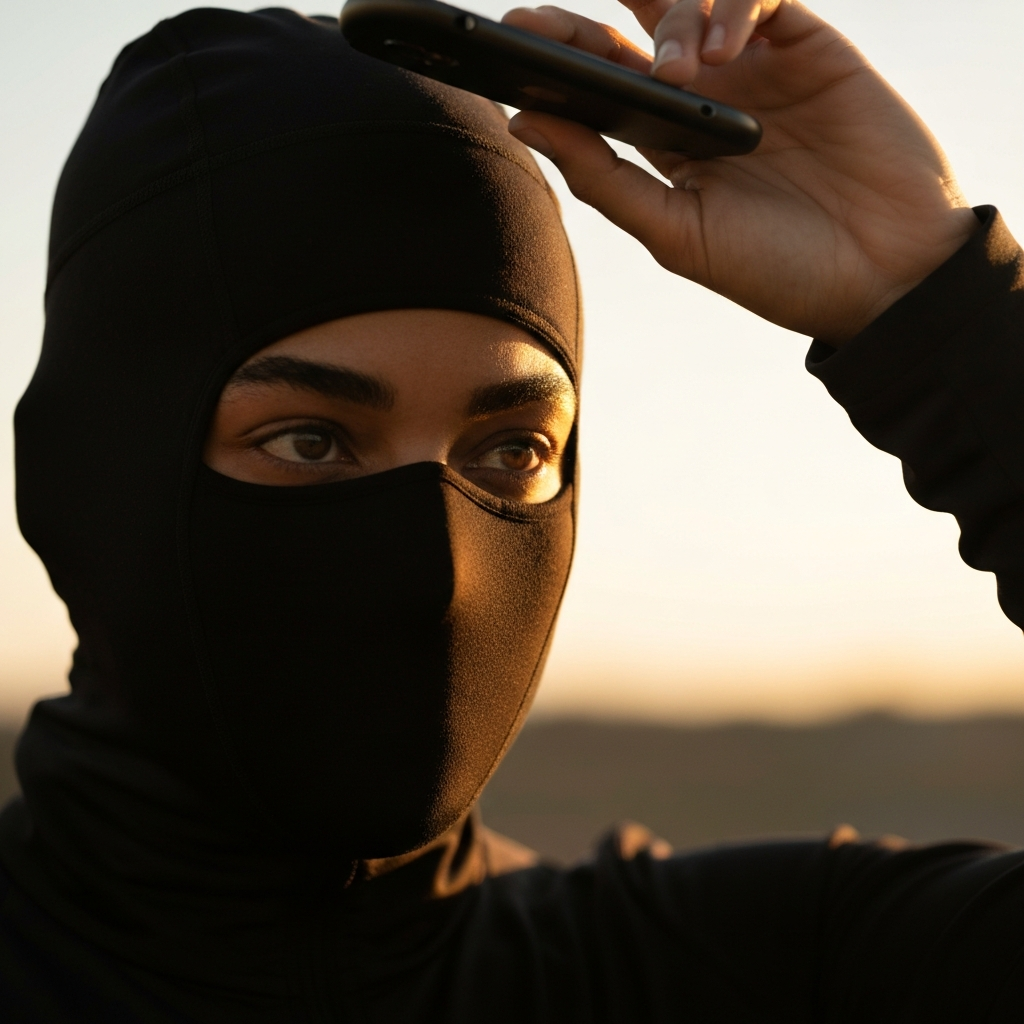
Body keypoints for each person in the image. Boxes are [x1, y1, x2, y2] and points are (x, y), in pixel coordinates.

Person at [0, 2, 1022, 1021]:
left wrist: (927, 293)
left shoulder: (768, 974)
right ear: (95, 473)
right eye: (310, 440)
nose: (437, 569)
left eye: (509, 451)